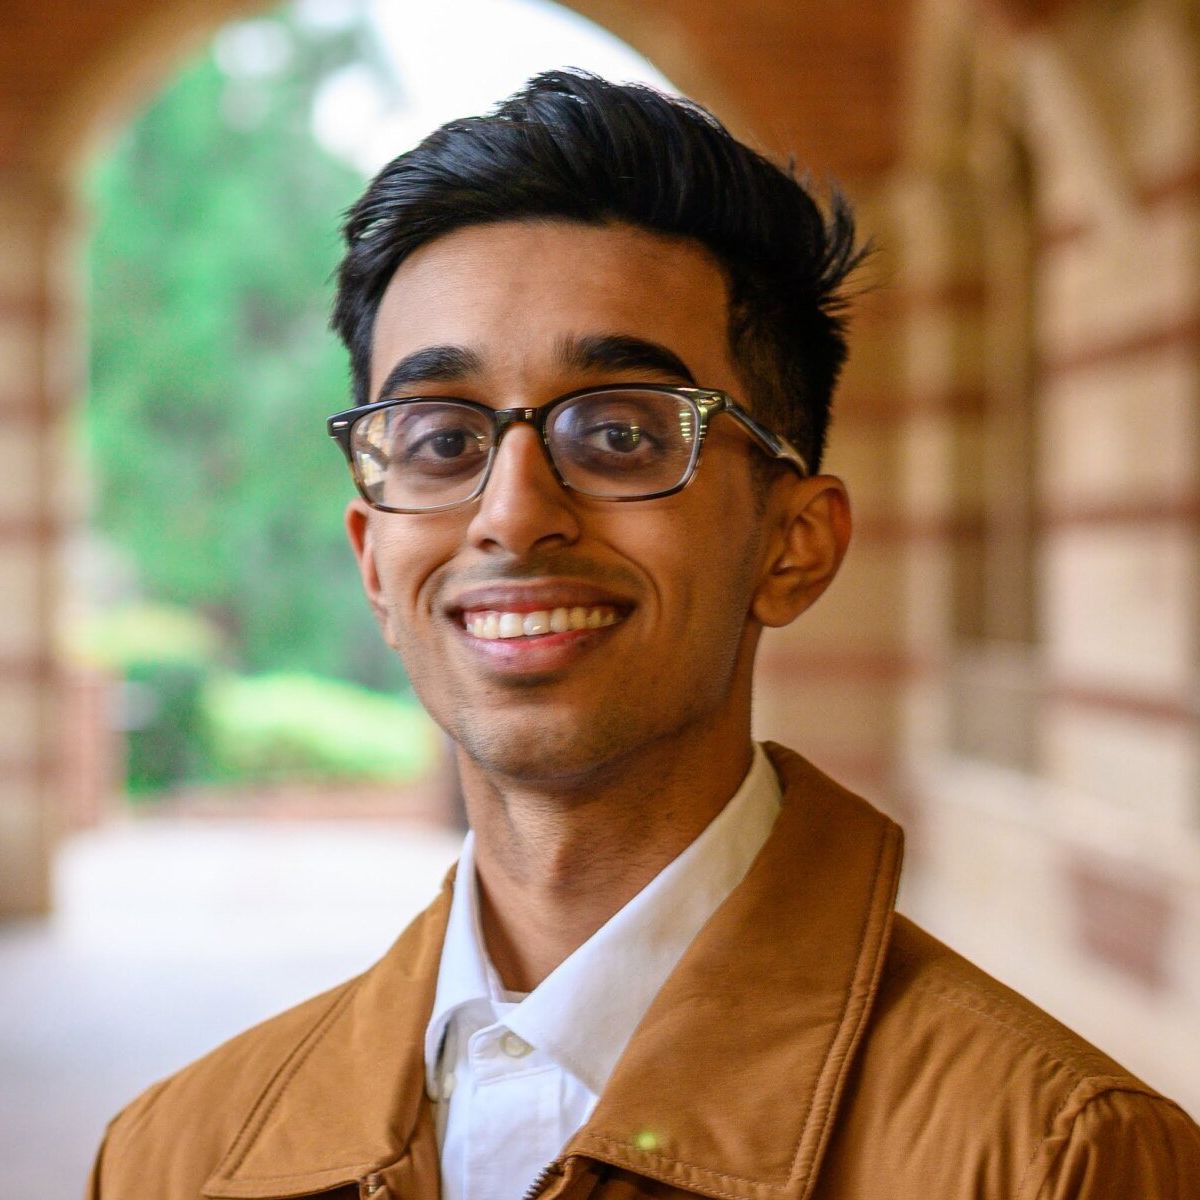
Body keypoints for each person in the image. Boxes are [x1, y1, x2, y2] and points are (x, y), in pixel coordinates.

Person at [89, 70, 1200, 1200]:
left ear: (794, 545)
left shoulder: (1051, 1158)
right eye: (440, 441)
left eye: (619, 431)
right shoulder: (171, 1161)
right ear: (376, 561)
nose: (513, 514)